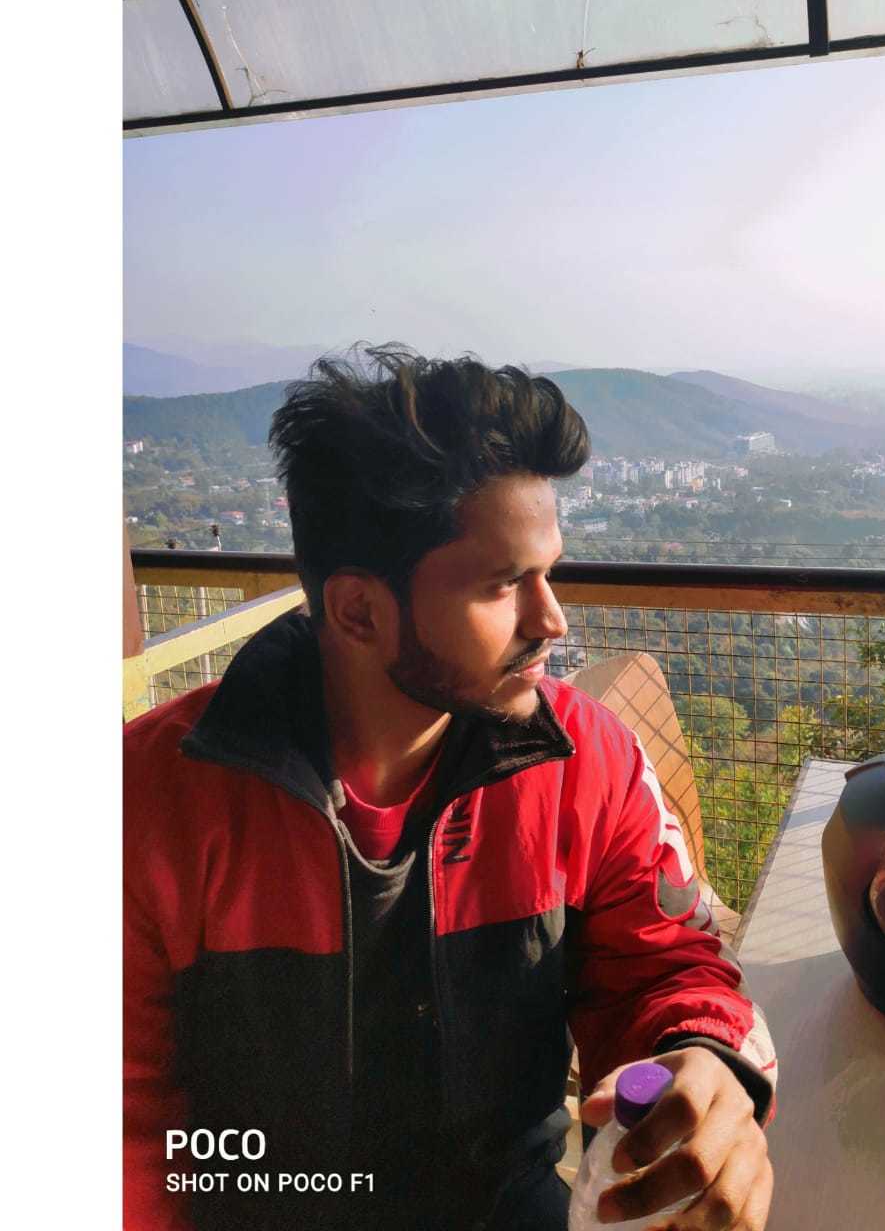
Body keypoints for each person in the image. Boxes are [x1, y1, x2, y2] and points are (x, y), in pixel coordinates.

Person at [124, 346, 777, 1231]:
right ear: (359, 610)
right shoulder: (148, 802)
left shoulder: (583, 760)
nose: (553, 620)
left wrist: (703, 1060)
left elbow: (665, 964)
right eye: (505, 586)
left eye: (549, 573)